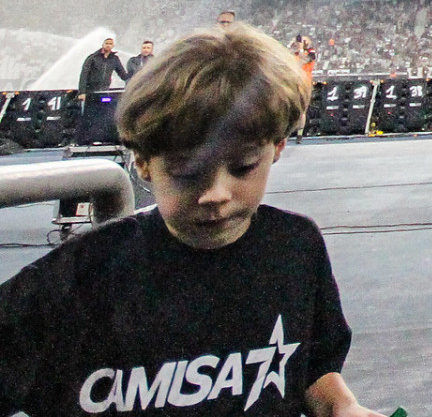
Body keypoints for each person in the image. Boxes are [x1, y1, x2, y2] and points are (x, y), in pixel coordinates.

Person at [0, 25, 383, 417]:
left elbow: (309, 370)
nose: (215, 194)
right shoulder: (80, 276)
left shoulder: (295, 247)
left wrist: (342, 407)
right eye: (186, 172)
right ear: (143, 162)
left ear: (278, 147)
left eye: (243, 167)